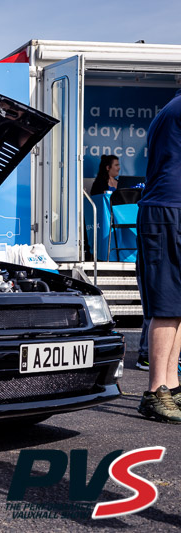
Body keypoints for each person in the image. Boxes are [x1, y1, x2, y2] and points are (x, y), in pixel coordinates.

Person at [135, 88, 181, 423]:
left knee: (178, 306)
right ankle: (155, 392)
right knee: (166, 303)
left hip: (172, 208)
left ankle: (172, 386)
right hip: (167, 210)